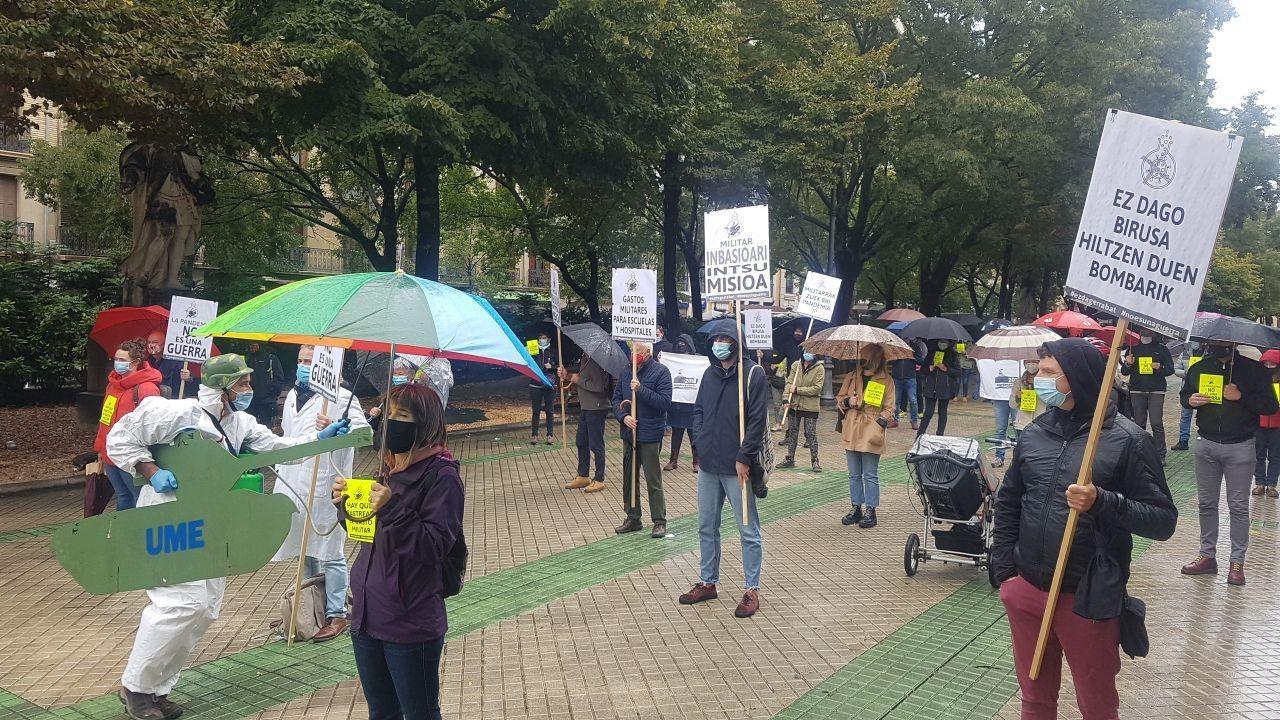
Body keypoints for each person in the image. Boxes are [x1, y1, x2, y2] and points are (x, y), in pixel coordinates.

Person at [107, 354, 352, 720]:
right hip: (169, 519)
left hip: (211, 520)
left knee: (204, 607)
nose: (249, 390)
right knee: (179, 604)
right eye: (242, 383)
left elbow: (277, 446)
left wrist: (320, 437)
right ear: (221, 387)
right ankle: (136, 688)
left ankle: (157, 689)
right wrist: (150, 469)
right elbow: (119, 439)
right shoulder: (177, 413)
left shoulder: (239, 423)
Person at [992, 338, 1176, 720]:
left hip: (1088, 597)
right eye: (1037, 370)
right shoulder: (1034, 433)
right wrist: (1006, 574)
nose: (1036, 379)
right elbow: (1008, 501)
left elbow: (1163, 520)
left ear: (1075, 378)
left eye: (1047, 373)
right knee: (1035, 697)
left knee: (1096, 702)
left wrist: (1103, 501)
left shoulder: (1128, 440)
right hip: (1027, 590)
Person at [331, 383, 463, 720]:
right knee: (382, 713)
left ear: (426, 423)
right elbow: (370, 536)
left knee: (419, 713)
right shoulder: (387, 470)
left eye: (402, 415)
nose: (391, 421)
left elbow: (433, 547)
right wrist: (348, 507)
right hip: (365, 615)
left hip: (409, 622)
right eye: (387, 413)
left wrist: (391, 508)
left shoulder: (442, 476)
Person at [271, 345, 371, 642]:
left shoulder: (339, 398)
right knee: (305, 550)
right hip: (295, 482)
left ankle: (336, 612)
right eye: (300, 360)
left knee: (330, 552)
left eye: (309, 362)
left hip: (327, 483)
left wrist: (339, 429)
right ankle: (309, 606)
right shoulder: (292, 396)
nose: (303, 366)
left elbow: (365, 433)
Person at [680, 330, 768, 618]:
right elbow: (699, 410)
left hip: (737, 467)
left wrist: (744, 457)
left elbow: (757, 421)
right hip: (708, 463)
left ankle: (751, 589)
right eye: (716, 340)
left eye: (725, 340)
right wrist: (699, 441)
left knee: (747, 529)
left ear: (735, 342)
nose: (720, 345)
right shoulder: (709, 374)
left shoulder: (753, 374)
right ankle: (708, 582)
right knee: (706, 525)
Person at [1180, 340, 1279, 586]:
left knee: (1237, 506)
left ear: (1233, 343)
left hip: (1241, 446)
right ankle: (1207, 556)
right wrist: (1190, 400)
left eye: (1223, 343)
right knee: (1206, 504)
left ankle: (1237, 563)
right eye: (1213, 342)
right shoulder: (1199, 368)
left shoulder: (1253, 370)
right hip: (1206, 444)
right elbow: (1184, 396)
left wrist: (1241, 397)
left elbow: (1270, 405)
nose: (1217, 346)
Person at [612, 341, 673, 538]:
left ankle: (659, 520)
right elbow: (615, 399)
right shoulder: (625, 371)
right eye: (632, 349)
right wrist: (623, 417)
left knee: (652, 478)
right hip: (629, 433)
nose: (633, 353)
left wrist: (641, 390)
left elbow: (664, 403)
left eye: (638, 350)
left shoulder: (661, 372)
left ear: (648, 352)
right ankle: (633, 516)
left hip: (650, 434)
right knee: (629, 477)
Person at [95, 339, 164, 511]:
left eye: (122, 360)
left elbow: (152, 424)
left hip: (131, 455)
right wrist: (101, 448)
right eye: (116, 359)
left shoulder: (146, 388)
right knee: (123, 496)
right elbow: (106, 420)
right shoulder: (113, 385)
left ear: (134, 363)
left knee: (136, 497)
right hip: (111, 453)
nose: (116, 363)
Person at [835, 344, 895, 528]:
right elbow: (839, 399)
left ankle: (871, 509)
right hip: (853, 427)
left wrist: (879, 424)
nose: (865, 361)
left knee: (869, 473)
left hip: (871, 427)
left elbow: (890, 408)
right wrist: (847, 401)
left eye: (868, 357)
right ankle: (856, 507)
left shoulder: (886, 380)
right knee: (853, 474)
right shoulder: (852, 376)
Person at [1119, 329, 1175, 462]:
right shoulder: (1133, 349)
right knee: (1139, 423)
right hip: (1137, 390)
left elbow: (1170, 369)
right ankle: (1140, 452)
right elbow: (1124, 372)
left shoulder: (1162, 349)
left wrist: (1160, 367)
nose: (1146, 335)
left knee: (1156, 423)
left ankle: (1160, 454)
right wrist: (1128, 363)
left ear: (1154, 333)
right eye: (1143, 332)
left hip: (1156, 390)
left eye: (1149, 332)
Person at [562, 355, 611, 493]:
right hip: (586, 406)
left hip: (596, 407)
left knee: (596, 444)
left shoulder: (597, 361)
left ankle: (599, 478)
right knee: (581, 441)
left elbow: (598, 386)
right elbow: (580, 375)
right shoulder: (585, 358)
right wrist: (567, 375)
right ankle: (583, 475)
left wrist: (577, 380)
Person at [777, 350, 825, 471]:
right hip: (794, 405)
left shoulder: (820, 368)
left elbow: (817, 389)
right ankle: (790, 458)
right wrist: (785, 399)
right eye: (806, 351)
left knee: (810, 433)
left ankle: (815, 461)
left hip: (810, 406)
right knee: (792, 432)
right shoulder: (796, 365)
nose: (808, 354)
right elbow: (789, 383)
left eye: (811, 351)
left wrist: (798, 390)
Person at [665, 333, 700, 472]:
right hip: (677, 406)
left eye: (683, 344)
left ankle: (696, 461)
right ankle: (673, 460)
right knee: (676, 434)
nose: (681, 347)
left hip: (692, 406)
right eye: (678, 344)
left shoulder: (698, 360)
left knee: (694, 435)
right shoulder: (672, 359)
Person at [977, 357, 1020, 467]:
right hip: (999, 398)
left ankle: (1020, 459)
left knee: (1019, 429)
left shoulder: (1021, 360)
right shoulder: (994, 358)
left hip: (1017, 398)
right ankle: (999, 457)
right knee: (1000, 429)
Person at [917, 339, 961, 436]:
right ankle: (920, 434)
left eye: (945, 342)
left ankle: (940, 435)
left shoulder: (952, 355)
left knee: (942, 412)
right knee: (928, 413)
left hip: (945, 388)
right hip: (930, 387)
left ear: (949, 343)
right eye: (940, 341)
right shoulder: (931, 353)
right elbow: (922, 370)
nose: (942, 344)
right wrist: (929, 368)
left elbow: (958, 372)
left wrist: (946, 369)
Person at [1008, 358, 1048, 454]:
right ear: (1024, 363)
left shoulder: (1046, 381)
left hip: (1041, 422)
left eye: (1034, 361)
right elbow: (1012, 404)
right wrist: (1017, 397)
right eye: (1028, 362)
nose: (1031, 364)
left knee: (1039, 450)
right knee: (1022, 451)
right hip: (1022, 423)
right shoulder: (1019, 382)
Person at [1254, 350, 1280, 498]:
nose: (1269, 366)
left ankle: (1271, 485)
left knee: (1275, 456)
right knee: (1259, 454)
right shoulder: (1257, 381)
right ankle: (1259, 483)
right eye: (1266, 363)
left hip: (1277, 425)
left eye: (1273, 364)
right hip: (1259, 423)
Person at [145, 330, 197, 399]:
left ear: (164, 344)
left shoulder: (175, 362)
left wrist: (188, 378)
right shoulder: (147, 361)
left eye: (155, 342)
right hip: (151, 398)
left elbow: (190, 385)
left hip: (172, 401)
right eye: (149, 342)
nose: (151, 345)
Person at [244, 341, 286, 427]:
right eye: (249, 345)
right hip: (251, 401)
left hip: (266, 402)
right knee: (249, 427)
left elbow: (279, 378)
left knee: (266, 428)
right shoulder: (248, 359)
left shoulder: (271, 358)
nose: (251, 347)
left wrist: (272, 393)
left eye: (253, 344)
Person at [1171, 344, 1202, 451]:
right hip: (1187, 389)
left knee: (1203, 416)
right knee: (1185, 416)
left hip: (1203, 389)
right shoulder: (1184, 354)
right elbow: (1176, 369)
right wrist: (1186, 373)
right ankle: (1183, 441)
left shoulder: (1208, 354)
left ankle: (1204, 440)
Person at [529, 332, 558, 445]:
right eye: (540, 338)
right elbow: (529, 363)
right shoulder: (533, 350)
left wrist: (552, 366)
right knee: (536, 410)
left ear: (549, 339)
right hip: (535, 383)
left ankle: (550, 435)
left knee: (549, 411)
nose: (542, 340)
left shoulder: (554, 351)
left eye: (544, 338)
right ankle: (534, 435)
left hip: (549, 384)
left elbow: (559, 367)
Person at [889, 341, 920, 430]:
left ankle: (914, 421)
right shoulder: (896, 345)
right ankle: (895, 420)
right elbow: (890, 360)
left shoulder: (915, 346)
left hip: (910, 377)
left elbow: (921, 361)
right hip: (897, 377)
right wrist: (898, 356)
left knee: (913, 400)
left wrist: (911, 356)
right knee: (896, 400)